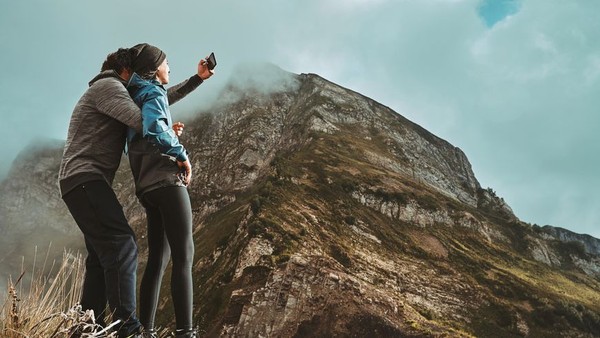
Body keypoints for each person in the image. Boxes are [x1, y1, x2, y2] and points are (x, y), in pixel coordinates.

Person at [59, 47, 207, 338]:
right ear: (126, 72)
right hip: (85, 177)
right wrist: (173, 140)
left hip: (82, 180)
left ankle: (87, 327)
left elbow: (157, 99)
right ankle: (129, 329)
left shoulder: (114, 88)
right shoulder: (110, 87)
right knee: (123, 245)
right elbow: (147, 121)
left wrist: (196, 81)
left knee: (101, 258)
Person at [125, 43, 214, 338]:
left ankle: (145, 332)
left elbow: (163, 101)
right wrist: (180, 153)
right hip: (167, 181)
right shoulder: (151, 93)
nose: (169, 66)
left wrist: (198, 79)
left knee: (157, 262)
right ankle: (185, 332)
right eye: (166, 63)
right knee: (184, 256)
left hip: (146, 186)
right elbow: (154, 128)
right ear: (153, 69)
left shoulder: (138, 95)